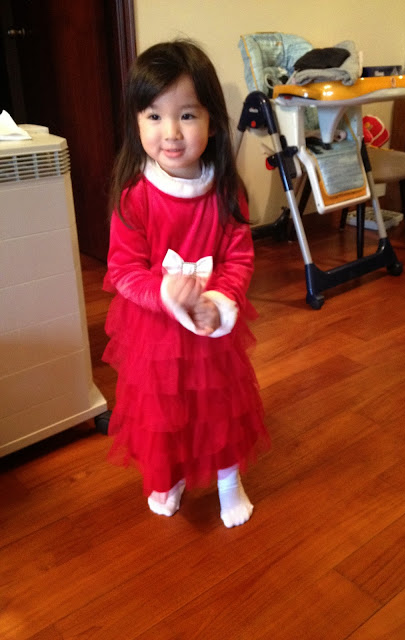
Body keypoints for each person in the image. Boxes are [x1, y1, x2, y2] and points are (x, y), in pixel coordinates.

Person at [102, 39, 269, 528]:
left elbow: (239, 258)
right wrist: (163, 293)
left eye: (187, 115)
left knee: (218, 406)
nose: (171, 132)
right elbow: (123, 269)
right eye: (154, 116)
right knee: (162, 410)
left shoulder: (225, 190)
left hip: (212, 328)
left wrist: (220, 300)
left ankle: (228, 481)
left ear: (212, 121)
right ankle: (170, 474)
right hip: (155, 329)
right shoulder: (135, 196)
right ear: (136, 122)